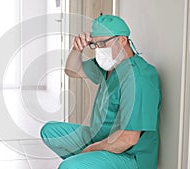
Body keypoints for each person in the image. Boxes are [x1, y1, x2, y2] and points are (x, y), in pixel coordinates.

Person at [40, 14, 161, 169]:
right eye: (94, 44)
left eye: (102, 43)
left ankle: (89, 162)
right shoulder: (109, 65)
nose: (98, 50)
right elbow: (72, 71)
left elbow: (129, 138)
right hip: (100, 136)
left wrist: (91, 150)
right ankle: (91, 162)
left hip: (128, 155)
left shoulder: (139, 77)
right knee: (49, 132)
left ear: (122, 40)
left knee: (69, 166)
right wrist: (77, 48)